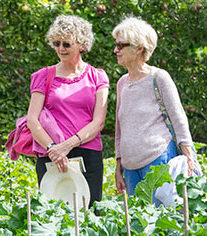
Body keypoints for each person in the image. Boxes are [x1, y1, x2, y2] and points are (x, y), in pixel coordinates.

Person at [26, 15, 109, 206]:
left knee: (90, 214)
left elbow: (98, 122)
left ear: (81, 44)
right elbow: (33, 120)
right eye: (56, 43)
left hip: (88, 153)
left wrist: (67, 146)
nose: (60, 49)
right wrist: (52, 149)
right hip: (52, 156)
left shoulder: (97, 76)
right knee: (54, 216)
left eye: (66, 44)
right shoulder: (43, 76)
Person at [112, 16, 197, 197]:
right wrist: (118, 165)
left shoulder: (158, 77)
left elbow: (178, 118)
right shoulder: (122, 83)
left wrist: (189, 157)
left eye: (120, 46)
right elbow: (120, 129)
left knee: (161, 221)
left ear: (139, 48)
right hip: (129, 167)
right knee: (138, 222)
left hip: (158, 159)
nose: (115, 50)